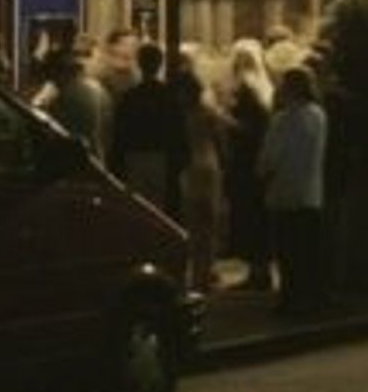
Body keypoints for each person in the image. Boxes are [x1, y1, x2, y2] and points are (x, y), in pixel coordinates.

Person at [258, 65, 329, 314]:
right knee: (309, 250)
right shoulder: (318, 116)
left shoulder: (282, 120)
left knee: (287, 252)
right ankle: (312, 296)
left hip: (284, 193)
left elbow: (269, 159)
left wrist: (262, 173)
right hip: (311, 193)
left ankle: (290, 298)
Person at [109, 40, 189, 214]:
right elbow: (179, 131)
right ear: (160, 64)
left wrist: (116, 162)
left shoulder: (130, 97)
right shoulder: (168, 96)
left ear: (139, 63)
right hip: (162, 158)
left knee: (139, 211)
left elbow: (120, 134)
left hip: (135, 158)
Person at [223, 39, 274, 287]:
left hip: (245, 162)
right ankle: (259, 270)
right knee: (257, 216)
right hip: (256, 161)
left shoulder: (246, 89)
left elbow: (247, 129)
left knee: (249, 216)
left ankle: (256, 272)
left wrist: (222, 118)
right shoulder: (265, 88)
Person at [174, 65, 230, 291]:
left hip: (187, 168)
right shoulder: (208, 112)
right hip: (209, 165)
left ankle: (189, 275)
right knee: (208, 223)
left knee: (188, 222)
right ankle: (204, 274)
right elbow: (223, 142)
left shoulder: (178, 114)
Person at [37, 45, 112, 160]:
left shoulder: (70, 94)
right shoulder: (98, 88)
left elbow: (54, 130)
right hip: (97, 159)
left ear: (59, 72)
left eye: (51, 76)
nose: (52, 82)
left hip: (80, 162)